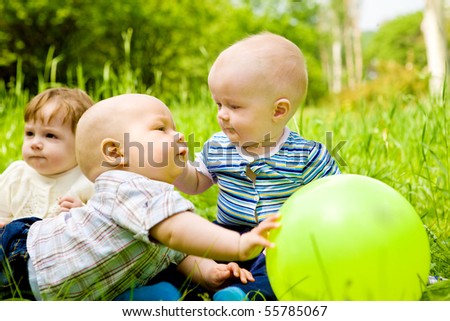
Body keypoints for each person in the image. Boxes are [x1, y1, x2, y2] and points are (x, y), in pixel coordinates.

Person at [0, 93, 280, 301]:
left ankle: (150, 297)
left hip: (76, 284)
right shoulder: (125, 186)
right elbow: (175, 231)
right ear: (115, 153)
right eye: (161, 129)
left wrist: (209, 273)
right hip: (22, 257)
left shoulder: (157, 204)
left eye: (174, 127)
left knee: (169, 277)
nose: (179, 135)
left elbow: (180, 251)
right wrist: (239, 243)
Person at [174, 32, 341, 300]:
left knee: (288, 273)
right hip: (227, 234)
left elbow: (335, 197)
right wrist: (177, 169)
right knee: (189, 253)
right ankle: (181, 286)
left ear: (278, 111)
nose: (221, 114)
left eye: (234, 106)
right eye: (218, 103)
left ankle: (246, 297)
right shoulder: (218, 147)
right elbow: (195, 183)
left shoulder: (307, 156)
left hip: (278, 242)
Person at [0, 87, 95, 227]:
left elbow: (101, 229)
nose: (35, 144)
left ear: (81, 141)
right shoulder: (16, 175)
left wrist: (82, 213)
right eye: (30, 133)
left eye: (50, 135)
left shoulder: (88, 181)